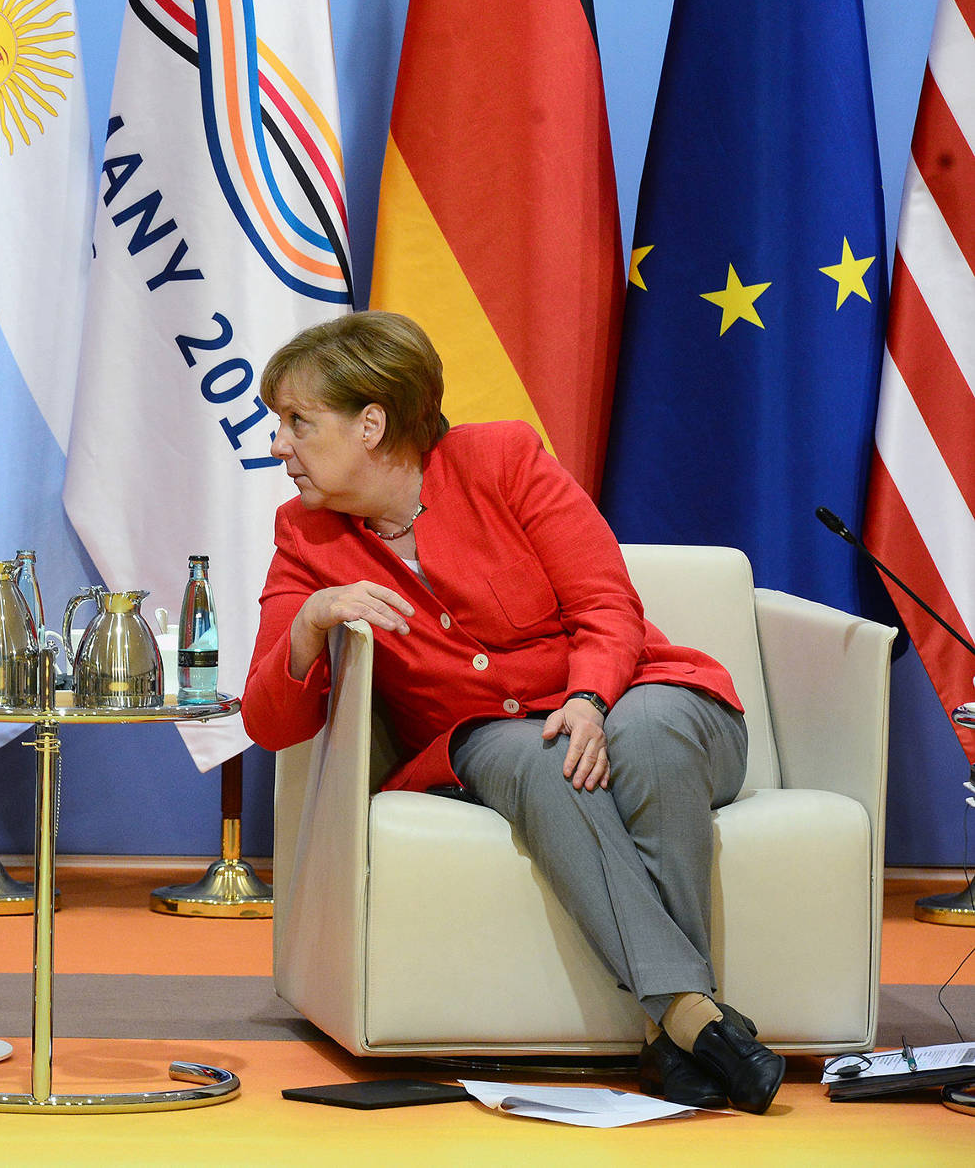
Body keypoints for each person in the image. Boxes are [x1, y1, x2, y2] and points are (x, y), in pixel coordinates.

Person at [242, 312, 786, 1114]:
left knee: (646, 742)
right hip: (483, 739)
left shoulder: (502, 458)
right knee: (538, 756)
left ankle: (676, 1034)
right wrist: (312, 618)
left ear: (370, 423)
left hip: (640, 692)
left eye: (297, 421)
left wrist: (591, 696)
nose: (279, 443)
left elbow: (605, 600)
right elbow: (270, 722)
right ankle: (692, 1017)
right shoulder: (306, 536)